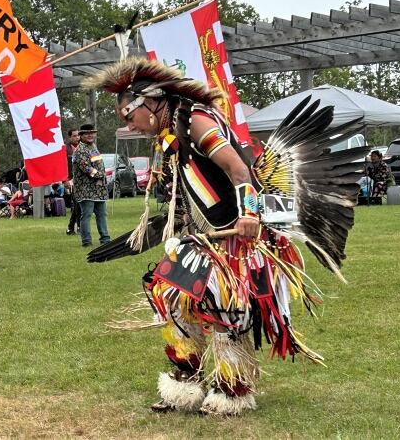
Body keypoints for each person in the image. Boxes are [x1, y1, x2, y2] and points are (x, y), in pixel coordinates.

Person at [84, 58, 364, 415]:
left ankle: (232, 390)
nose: (128, 124)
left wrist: (249, 213)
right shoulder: (171, 135)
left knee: (222, 313)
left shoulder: (197, 120)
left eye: (128, 115)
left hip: (234, 242)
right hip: (202, 239)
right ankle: (185, 383)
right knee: (175, 305)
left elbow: (238, 168)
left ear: (150, 102)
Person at [72, 124, 110, 247]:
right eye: (87, 133)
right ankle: (86, 242)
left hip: (98, 189)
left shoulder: (93, 146)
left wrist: (101, 176)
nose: (90, 135)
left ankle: (105, 240)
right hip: (85, 189)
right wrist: (101, 176)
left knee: (102, 214)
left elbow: (98, 164)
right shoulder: (80, 150)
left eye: (92, 133)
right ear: (81, 136)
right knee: (86, 215)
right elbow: (86, 168)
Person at [65, 128, 82, 234]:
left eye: (78, 135)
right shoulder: (65, 149)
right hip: (71, 180)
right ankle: (79, 227)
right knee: (77, 202)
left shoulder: (83, 147)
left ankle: (71, 227)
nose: (77, 138)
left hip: (83, 180)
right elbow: (62, 165)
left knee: (78, 203)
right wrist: (65, 180)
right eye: (74, 136)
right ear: (70, 137)